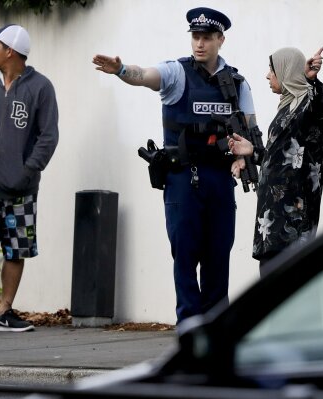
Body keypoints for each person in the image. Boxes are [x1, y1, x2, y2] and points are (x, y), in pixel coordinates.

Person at [92, 7, 258, 325]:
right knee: (185, 257)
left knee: (217, 257)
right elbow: (143, 76)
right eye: (196, 37)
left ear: (220, 39)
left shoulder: (236, 83)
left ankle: (214, 331)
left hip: (221, 182)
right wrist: (121, 69)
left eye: (207, 38)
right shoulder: (176, 73)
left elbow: (250, 132)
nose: (199, 44)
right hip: (184, 179)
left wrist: (244, 155)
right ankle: (189, 331)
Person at [0, 24, 59, 337]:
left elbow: (48, 136)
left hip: (21, 191)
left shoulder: (41, 88)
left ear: (10, 52)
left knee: (16, 250)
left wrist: (26, 171)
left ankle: (5, 311)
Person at [228, 47, 323, 273]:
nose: (268, 75)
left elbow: (321, 106)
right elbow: (284, 159)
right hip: (273, 221)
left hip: (293, 224)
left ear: (286, 71)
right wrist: (253, 151)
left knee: (294, 294)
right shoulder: (288, 107)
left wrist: (310, 80)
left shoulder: (309, 105)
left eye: (272, 69)